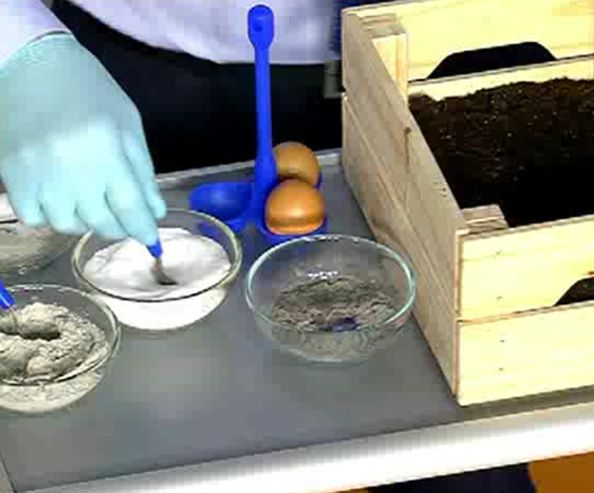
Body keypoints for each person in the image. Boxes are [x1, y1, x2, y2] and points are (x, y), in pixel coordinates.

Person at [0, 2, 536, 492]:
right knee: (152, 436)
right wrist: (20, 51)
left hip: (425, 60)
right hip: (115, 78)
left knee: (452, 446)